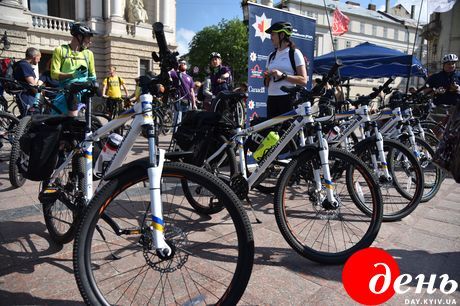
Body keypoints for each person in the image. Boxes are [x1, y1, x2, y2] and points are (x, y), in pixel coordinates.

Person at [50, 22, 97, 117]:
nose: (90, 41)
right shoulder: (60, 50)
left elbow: (92, 76)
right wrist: (72, 75)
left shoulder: (89, 54)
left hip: (83, 91)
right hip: (66, 90)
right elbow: (54, 74)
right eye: (88, 38)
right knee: (57, 121)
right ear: (79, 36)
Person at [263, 21, 308, 119]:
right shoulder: (271, 56)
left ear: (282, 35)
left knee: (287, 131)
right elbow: (266, 85)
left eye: (273, 34)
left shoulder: (295, 53)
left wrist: (283, 75)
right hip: (272, 98)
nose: (271, 37)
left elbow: (303, 80)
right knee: (271, 133)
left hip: (287, 98)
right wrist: (267, 77)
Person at [13, 47, 41, 114]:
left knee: (25, 118)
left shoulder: (19, 64)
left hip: (22, 95)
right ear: (34, 57)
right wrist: (39, 94)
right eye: (39, 57)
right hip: (27, 96)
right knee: (31, 118)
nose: (39, 60)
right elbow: (32, 84)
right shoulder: (25, 65)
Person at [169, 59, 196, 129]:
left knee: (186, 121)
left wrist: (194, 104)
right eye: (181, 63)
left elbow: (192, 91)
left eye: (184, 63)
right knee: (177, 121)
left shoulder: (190, 78)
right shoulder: (175, 73)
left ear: (186, 66)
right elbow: (167, 73)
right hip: (179, 100)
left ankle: (182, 138)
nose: (183, 64)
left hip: (188, 102)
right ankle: (175, 137)